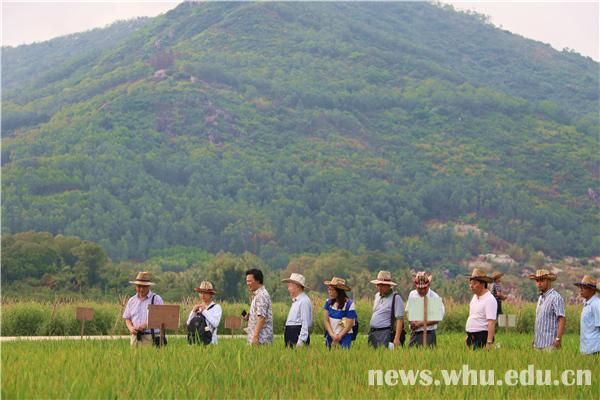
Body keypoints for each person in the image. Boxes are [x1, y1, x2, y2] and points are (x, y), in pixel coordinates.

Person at [122, 271, 164, 347]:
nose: (141, 289)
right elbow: (127, 318)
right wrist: (131, 328)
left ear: (149, 286)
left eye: (144, 287)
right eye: (139, 286)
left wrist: (144, 325)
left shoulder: (156, 299)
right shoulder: (132, 300)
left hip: (151, 337)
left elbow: (158, 317)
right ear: (135, 286)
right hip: (135, 338)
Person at [406, 271, 444, 348]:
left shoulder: (434, 297)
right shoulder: (412, 294)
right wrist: (412, 322)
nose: (422, 290)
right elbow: (408, 311)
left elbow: (437, 318)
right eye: (419, 288)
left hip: (428, 334)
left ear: (428, 285)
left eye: (424, 288)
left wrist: (419, 324)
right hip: (414, 333)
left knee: (427, 357)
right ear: (415, 286)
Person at [530, 269, 565, 350]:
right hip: (538, 343)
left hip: (550, 344)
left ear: (549, 281)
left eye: (542, 280)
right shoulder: (540, 298)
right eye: (537, 281)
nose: (539, 283)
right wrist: (534, 338)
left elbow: (562, 319)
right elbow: (540, 321)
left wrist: (558, 339)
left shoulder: (555, 297)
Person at [368, 271, 404, 349]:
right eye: (378, 285)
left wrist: (396, 338)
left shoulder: (396, 298)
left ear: (389, 286)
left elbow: (399, 319)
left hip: (385, 332)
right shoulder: (377, 296)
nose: (379, 287)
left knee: (384, 355)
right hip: (373, 332)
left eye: (382, 285)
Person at [465, 268, 497, 351]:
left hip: (482, 336)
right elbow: (472, 316)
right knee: (471, 361)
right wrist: (468, 335)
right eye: (470, 283)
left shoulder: (489, 299)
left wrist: (489, 342)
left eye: (474, 283)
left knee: (478, 360)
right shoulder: (474, 297)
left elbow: (491, 322)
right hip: (471, 335)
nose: (471, 286)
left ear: (482, 284)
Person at [323, 277, 356, 349]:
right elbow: (326, 320)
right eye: (329, 289)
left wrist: (339, 336)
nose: (329, 292)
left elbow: (349, 325)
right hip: (331, 334)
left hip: (345, 336)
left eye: (332, 290)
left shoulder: (349, 304)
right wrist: (332, 335)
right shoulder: (328, 302)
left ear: (339, 291)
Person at [282, 273, 313, 348]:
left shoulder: (304, 301)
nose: (288, 288)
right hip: (291, 334)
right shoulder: (296, 301)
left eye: (290, 286)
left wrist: (301, 341)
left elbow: (305, 323)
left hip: (297, 335)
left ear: (297, 286)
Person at [245, 268, 273, 345]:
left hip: (261, 339)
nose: (248, 283)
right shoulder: (257, 295)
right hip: (257, 339)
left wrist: (255, 336)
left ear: (258, 280)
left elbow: (261, 317)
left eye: (250, 281)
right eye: (247, 281)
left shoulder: (261, 295)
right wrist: (250, 316)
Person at [574, 275, 600, 355]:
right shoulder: (586, 304)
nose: (581, 290)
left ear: (592, 290)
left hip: (595, 349)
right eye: (580, 287)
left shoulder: (596, 304)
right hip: (586, 349)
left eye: (584, 287)